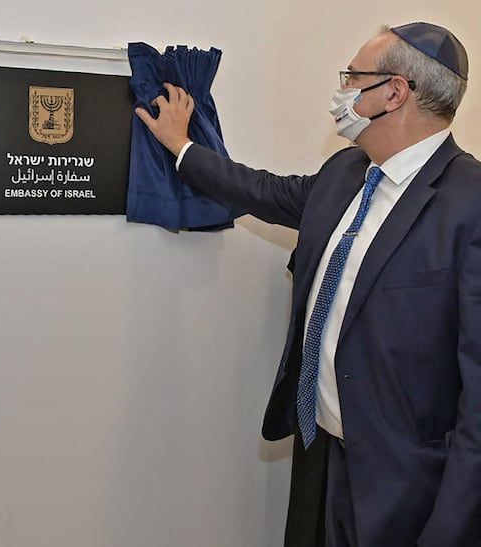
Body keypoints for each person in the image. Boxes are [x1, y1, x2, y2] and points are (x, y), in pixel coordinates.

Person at [136, 22, 481, 547]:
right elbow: (265, 192)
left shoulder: (469, 202)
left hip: (409, 489)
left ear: (393, 91)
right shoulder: (347, 172)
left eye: (353, 76)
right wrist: (182, 147)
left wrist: (452, 529)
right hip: (323, 456)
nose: (341, 90)